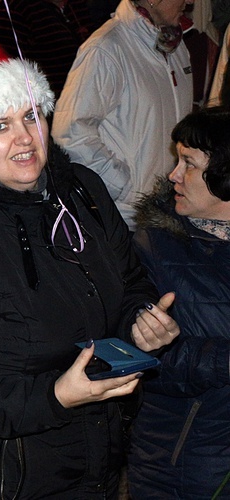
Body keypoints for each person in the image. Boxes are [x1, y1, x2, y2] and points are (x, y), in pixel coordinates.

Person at [0, 41, 180, 498]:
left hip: (93, 463)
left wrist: (141, 321)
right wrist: (55, 397)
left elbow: (128, 280)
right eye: (0, 125)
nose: (25, 137)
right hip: (1, 480)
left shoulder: (82, 192)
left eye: (32, 115)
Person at [127, 108, 230, 499]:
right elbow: (145, 360)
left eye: (188, 162)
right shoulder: (153, 249)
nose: (173, 174)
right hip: (186, 466)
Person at [52, 0, 193, 230]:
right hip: (125, 221)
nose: (190, 2)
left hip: (168, 215)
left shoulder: (177, 47)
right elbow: (69, 133)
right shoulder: (105, 48)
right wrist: (122, 188)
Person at [0, 0, 93, 97]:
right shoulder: (13, 8)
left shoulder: (77, 5)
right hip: (47, 108)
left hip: (89, 98)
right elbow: (3, 69)